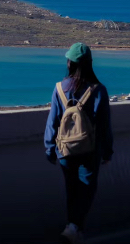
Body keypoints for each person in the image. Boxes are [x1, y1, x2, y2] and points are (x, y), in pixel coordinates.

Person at [44, 42, 113, 244]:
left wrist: (50, 149)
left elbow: (53, 122)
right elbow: (104, 126)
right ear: (90, 64)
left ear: (70, 63)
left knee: (72, 190)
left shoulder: (59, 89)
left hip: (65, 150)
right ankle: (74, 228)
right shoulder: (99, 90)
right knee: (87, 191)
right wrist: (107, 152)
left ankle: (72, 228)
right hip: (90, 150)